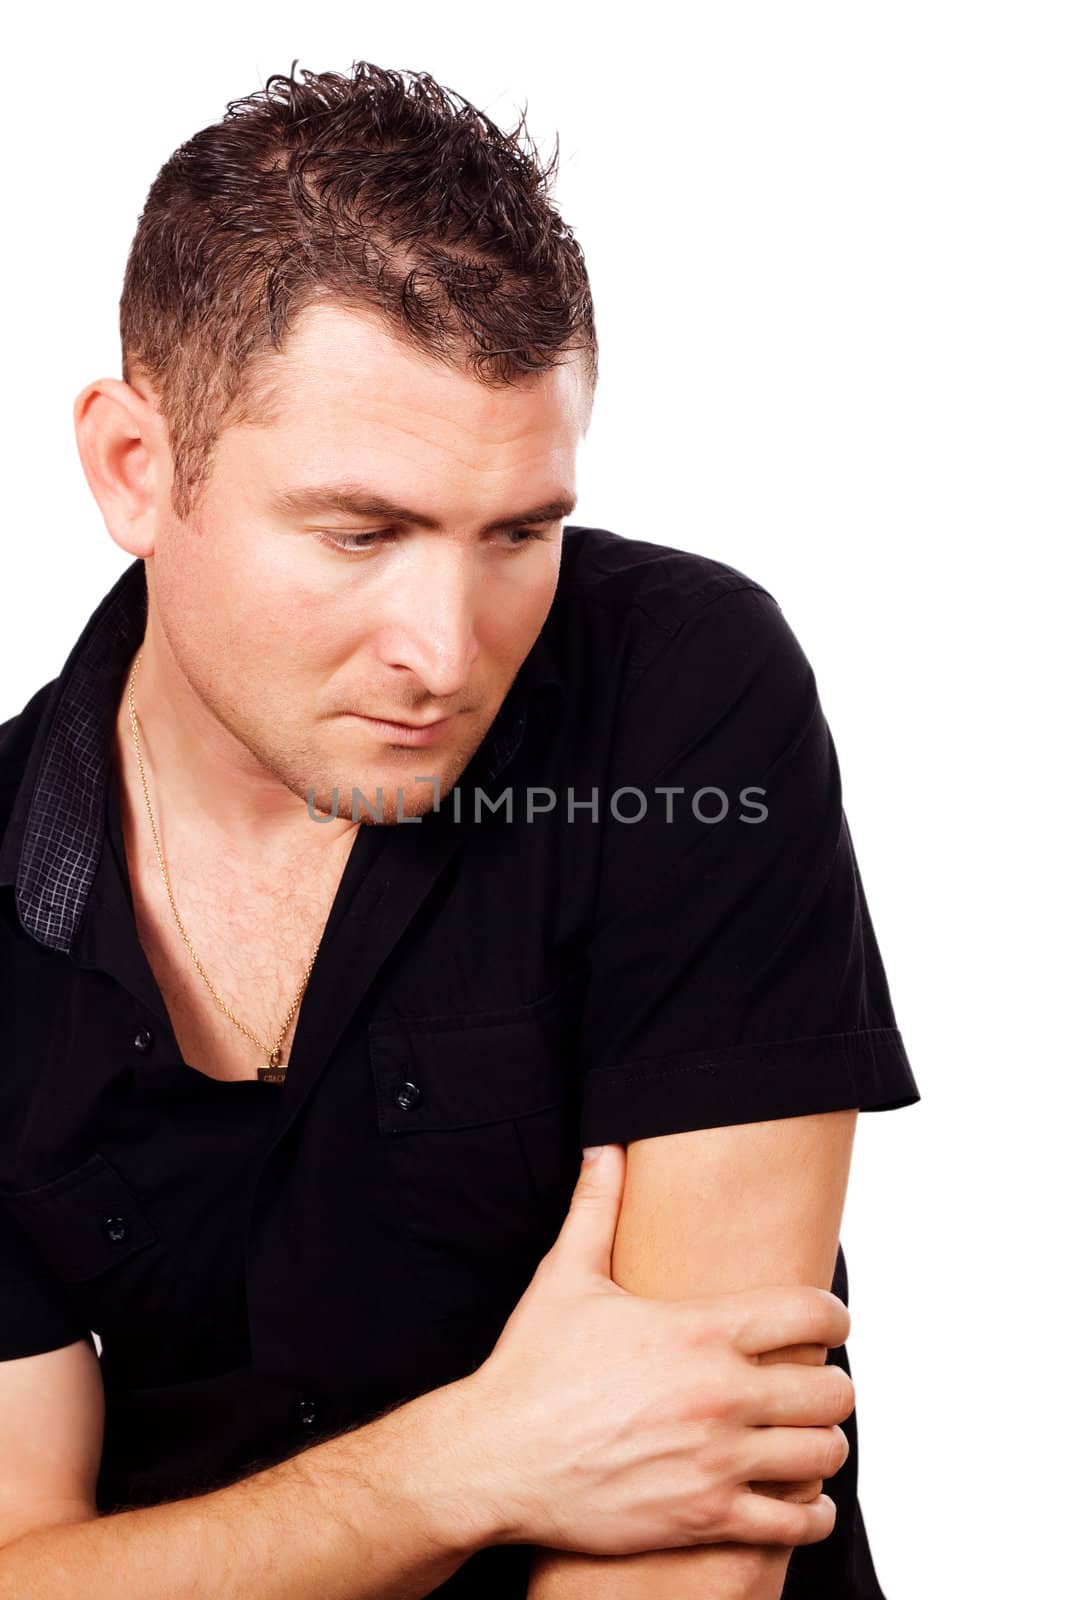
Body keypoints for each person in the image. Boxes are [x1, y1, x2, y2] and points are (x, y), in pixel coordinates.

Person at [0, 59, 920, 1600]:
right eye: (361, 534)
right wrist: (471, 1463)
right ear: (134, 468)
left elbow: (703, 1523)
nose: (446, 646)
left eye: (518, 533)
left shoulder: (679, 691)